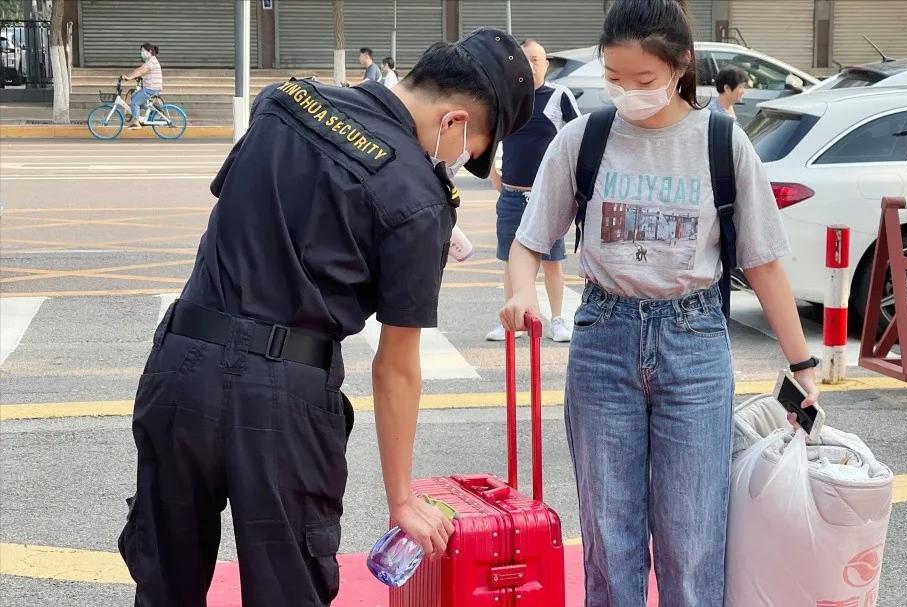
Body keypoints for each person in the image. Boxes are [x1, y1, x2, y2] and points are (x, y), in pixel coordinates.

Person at [118, 28, 534, 607]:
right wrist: (402, 502)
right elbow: (396, 366)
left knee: (163, 583)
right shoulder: (418, 200)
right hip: (282, 404)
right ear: (455, 123)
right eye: (477, 145)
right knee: (287, 590)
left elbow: (251, 202)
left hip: (181, 364)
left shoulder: (286, 99)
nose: (464, 161)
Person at [499, 1, 819, 605]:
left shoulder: (722, 142)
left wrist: (802, 367)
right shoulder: (582, 138)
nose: (628, 93)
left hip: (694, 342)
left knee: (693, 538)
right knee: (609, 534)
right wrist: (521, 290)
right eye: (614, 79)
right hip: (603, 339)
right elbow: (529, 242)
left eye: (643, 80)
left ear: (680, 67)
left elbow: (765, 264)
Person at [486, 38, 581, 343]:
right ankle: (510, 320)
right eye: (525, 59)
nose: (531, 65)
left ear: (546, 64)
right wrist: (493, 175)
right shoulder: (509, 97)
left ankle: (558, 319)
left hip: (546, 197)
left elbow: (579, 137)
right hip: (512, 195)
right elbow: (488, 135)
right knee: (509, 260)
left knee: (552, 261)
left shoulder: (559, 96)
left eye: (537, 59)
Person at [122, 43, 162, 128]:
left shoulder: (152, 61)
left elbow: (141, 72)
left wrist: (129, 78)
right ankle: (151, 109)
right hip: (150, 87)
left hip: (151, 88)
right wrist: (128, 76)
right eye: (141, 51)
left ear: (150, 51)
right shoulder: (149, 61)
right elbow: (138, 70)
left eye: (143, 51)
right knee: (133, 97)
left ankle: (136, 122)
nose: (142, 53)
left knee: (135, 102)